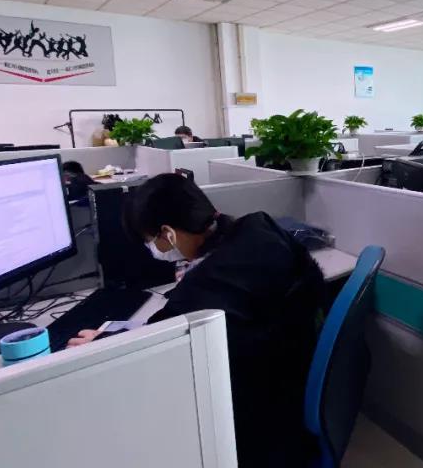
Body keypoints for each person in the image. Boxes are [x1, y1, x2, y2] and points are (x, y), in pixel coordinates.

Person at [67, 174, 324, 467]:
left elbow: (159, 347)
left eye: (151, 241)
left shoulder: (203, 288)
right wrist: (198, 270)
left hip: (259, 417)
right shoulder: (258, 227)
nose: (152, 249)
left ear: (168, 234)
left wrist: (102, 341)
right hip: (292, 371)